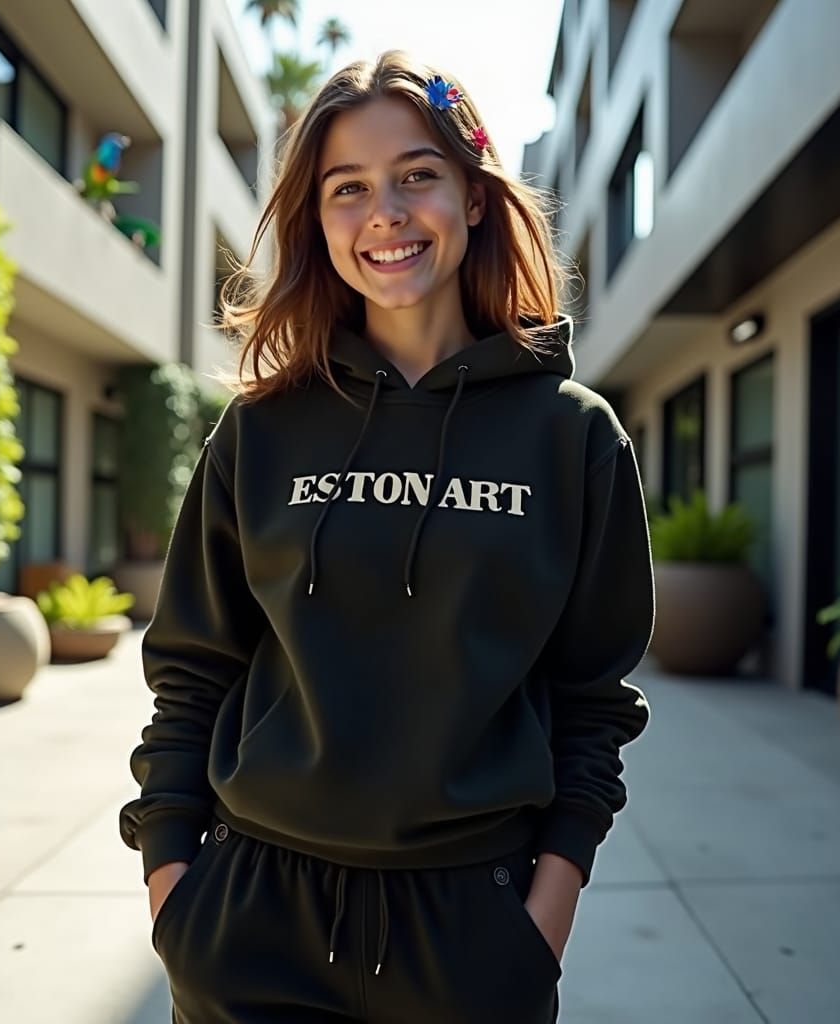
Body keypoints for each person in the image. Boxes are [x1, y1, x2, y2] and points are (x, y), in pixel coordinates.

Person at [119, 49, 654, 1024]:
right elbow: (192, 671)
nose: (385, 213)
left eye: (417, 175)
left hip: (472, 933)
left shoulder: (572, 436)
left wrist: (541, 923)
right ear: (316, 218)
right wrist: (174, 896)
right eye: (348, 187)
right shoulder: (261, 431)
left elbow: (592, 701)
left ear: (474, 198)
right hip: (250, 918)